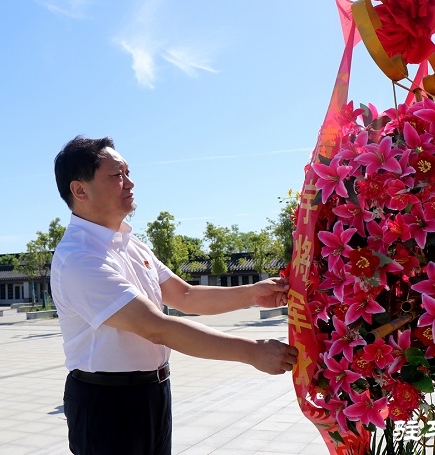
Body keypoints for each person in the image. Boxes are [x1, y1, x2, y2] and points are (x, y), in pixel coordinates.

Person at [51, 136, 298, 455]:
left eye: (127, 172)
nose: (130, 182)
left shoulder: (130, 243)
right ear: (79, 190)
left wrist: (253, 293)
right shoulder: (80, 257)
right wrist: (251, 351)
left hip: (153, 393)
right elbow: (156, 326)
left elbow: (185, 295)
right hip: (106, 404)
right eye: (117, 175)